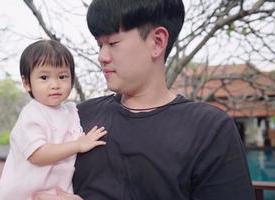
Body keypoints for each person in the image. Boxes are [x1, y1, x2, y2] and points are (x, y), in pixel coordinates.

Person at [34, 0, 256, 199]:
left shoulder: (209, 129)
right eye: (99, 45)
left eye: (112, 43)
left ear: (157, 42)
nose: (102, 56)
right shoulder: (77, 116)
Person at [0, 39, 107, 200]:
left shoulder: (71, 111)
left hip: (58, 191)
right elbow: (38, 155)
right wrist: (78, 145)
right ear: (27, 83)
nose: (55, 84)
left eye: (62, 76)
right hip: (24, 194)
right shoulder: (31, 114)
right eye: (44, 77)